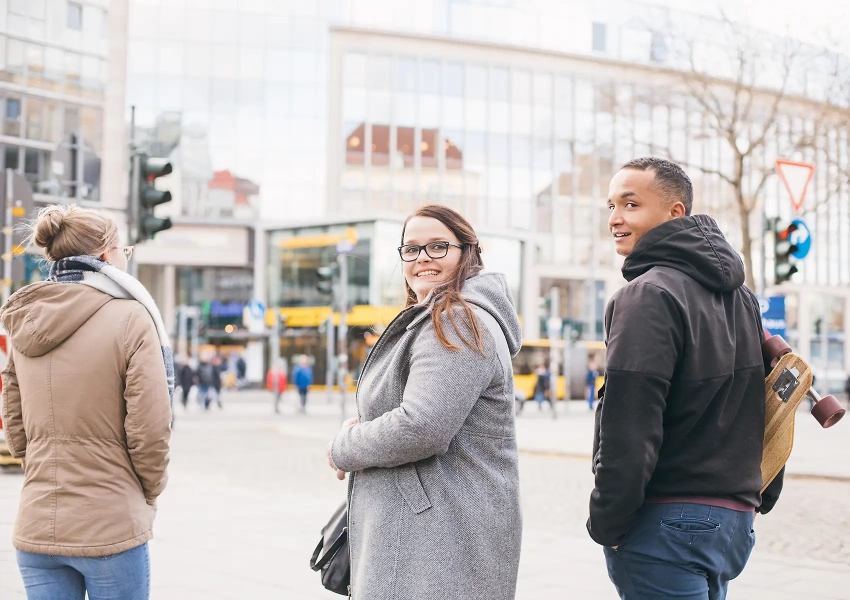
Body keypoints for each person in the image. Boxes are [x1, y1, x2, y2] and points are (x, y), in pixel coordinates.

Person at [589, 158, 783, 600]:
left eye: (631, 204)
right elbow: (767, 399)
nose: (615, 219)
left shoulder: (646, 296)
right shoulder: (743, 299)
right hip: (732, 520)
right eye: (611, 206)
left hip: (666, 521)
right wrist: (760, 492)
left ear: (675, 213)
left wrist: (608, 523)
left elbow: (631, 422)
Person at [326, 204, 522, 600]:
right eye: (411, 249)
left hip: (433, 538)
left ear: (468, 252)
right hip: (427, 534)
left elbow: (421, 427)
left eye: (437, 247)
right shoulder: (441, 317)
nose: (422, 259)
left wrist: (343, 447)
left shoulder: (456, 320)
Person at [0, 205, 171, 600]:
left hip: (36, 526)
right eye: (124, 250)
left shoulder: (27, 317)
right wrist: (146, 492)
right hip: (110, 526)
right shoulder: (131, 317)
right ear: (107, 255)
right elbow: (151, 427)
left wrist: (40, 469)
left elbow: (14, 415)